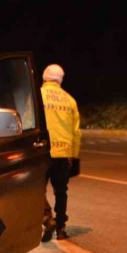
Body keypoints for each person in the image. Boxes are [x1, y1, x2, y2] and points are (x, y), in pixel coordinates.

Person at [40, 64, 81, 242]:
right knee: (61, 192)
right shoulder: (69, 100)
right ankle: (61, 230)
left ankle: (47, 218)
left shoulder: (36, 97)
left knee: (35, 191)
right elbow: (76, 132)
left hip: (41, 152)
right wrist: (73, 155)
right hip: (63, 153)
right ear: (60, 79)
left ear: (44, 77)